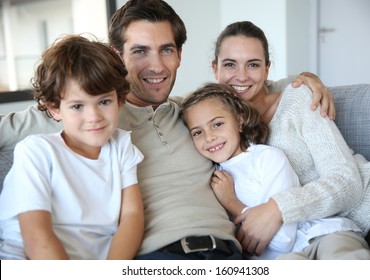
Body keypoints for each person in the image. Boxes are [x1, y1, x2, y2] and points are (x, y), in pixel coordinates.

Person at [0, 0, 334, 260]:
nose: (157, 66)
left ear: (179, 55)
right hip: (157, 257)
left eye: (167, 50)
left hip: (230, 254)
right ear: (117, 56)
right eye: (140, 51)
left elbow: (249, 85)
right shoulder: (95, 118)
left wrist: (303, 81)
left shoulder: (195, 113)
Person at [212, 20, 370, 259]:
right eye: (230, 64)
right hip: (320, 236)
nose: (241, 76)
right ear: (215, 69)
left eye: (253, 64)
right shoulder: (216, 128)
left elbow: (348, 182)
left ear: (267, 69)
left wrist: (278, 208)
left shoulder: (297, 99)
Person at [180, 82, 370, 260]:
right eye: (198, 132)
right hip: (278, 260)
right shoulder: (211, 176)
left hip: (320, 236)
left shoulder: (267, 158)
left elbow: (283, 240)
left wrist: (233, 204)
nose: (209, 137)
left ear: (239, 121)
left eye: (217, 124)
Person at [0, 35, 144, 260]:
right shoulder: (36, 151)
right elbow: (37, 236)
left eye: (104, 101)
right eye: (77, 106)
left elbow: (132, 217)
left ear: (120, 99)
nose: (94, 117)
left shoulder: (121, 146)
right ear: (55, 109)